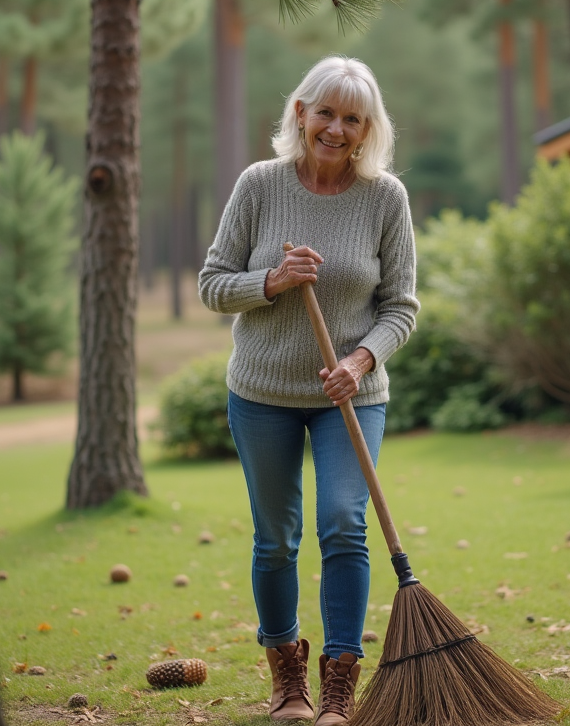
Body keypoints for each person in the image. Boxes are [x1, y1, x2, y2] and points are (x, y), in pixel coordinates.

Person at [198, 56, 418, 725]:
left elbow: (401, 307)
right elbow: (212, 283)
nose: (336, 128)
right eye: (325, 112)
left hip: (347, 398)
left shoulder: (385, 198)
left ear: (366, 129)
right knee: (275, 538)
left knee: (345, 523)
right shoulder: (260, 185)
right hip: (262, 393)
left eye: (352, 118)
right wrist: (269, 281)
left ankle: (338, 685)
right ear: (301, 113)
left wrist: (359, 360)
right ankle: (287, 675)